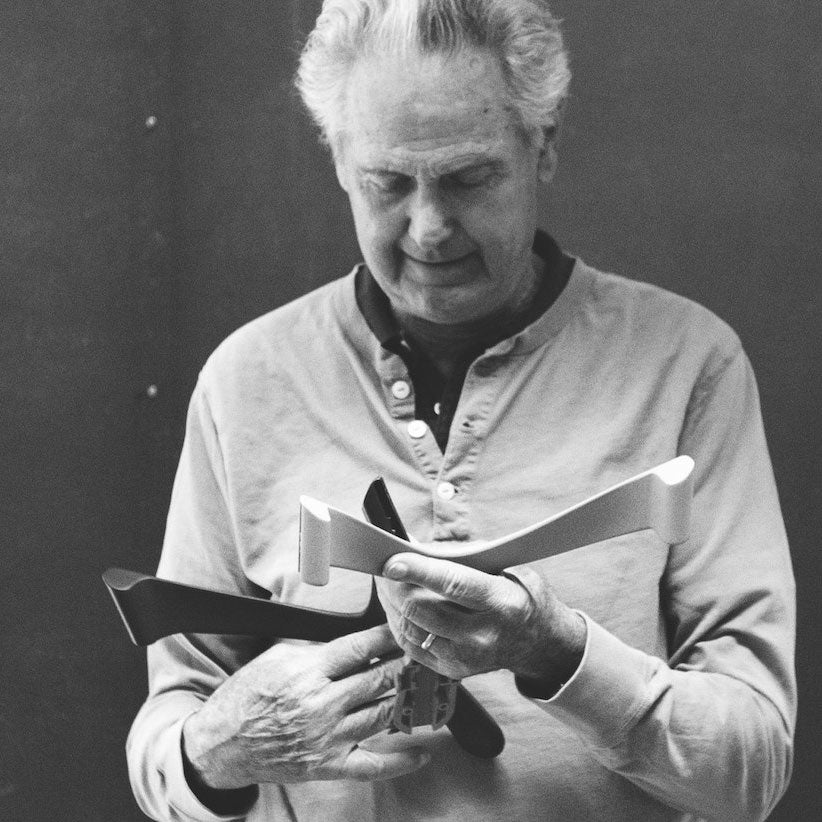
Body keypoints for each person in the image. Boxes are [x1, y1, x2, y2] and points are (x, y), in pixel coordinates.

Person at [126, 1, 796, 820]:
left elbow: (752, 772)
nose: (430, 229)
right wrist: (223, 748)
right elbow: (173, 731)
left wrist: (558, 653)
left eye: (469, 179)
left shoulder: (689, 364)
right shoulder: (246, 380)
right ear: (338, 159)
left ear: (541, 146)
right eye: (387, 183)